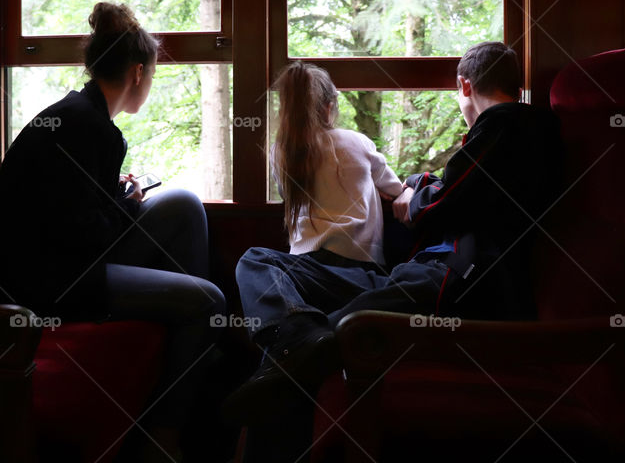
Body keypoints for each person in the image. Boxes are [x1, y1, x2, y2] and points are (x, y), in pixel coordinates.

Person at [225, 42, 563, 462]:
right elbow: (457, 186)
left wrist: (418, 197)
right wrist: (420, 186)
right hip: (438, 269)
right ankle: (298, 345)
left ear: (464, 85)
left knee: (310, 322)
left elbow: (448, 197)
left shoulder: (505, 125)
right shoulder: (511, 132)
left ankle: (290, 358)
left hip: (462, 276)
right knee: (323, 328)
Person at [0, 2, 225, 462]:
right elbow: (85, 234)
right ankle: (165, 431)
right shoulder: (91, 128)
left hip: (56, 257)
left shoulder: (78, 114)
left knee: (185, 205)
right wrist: (126, 207)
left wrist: (115, 197)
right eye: (151, 75)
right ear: (137, 73)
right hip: (48, 281)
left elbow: (69, 205)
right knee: (210, 301)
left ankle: (190, 353)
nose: (149, 83)